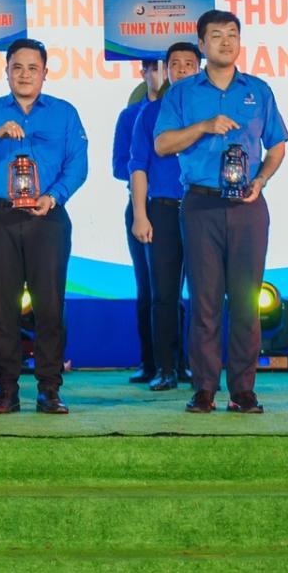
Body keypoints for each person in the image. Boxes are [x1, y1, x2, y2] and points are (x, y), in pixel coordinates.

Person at [154, 9, 288, 415]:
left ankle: (243, 390)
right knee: (205, 301)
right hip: (201, 204)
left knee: (246, 302)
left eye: (232, 34)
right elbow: (162, 144)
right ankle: (204, 388)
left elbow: (277, 146)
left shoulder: (258, 90)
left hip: (248, 205)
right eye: (216, 36)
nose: (226, 42)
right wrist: (203, 126)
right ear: (202, 44)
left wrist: (261, 180)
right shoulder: (182, 93)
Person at [0, 38, 88, 416]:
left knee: (50, 306)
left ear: (45, 73)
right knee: (2, 307)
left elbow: (77, 164)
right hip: (1, 217)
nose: (25, 74)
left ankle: (49, 389)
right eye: (17, 67)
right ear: (7, 72)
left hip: (47, 218)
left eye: (33, 68)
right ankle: (5, 390)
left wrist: (54, 196)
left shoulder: (64, 113)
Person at [128, 40, 201, 391]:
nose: (182, 69)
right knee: (163, 294)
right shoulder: (150, 113)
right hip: (162, 210)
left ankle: (197, 367)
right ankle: (166, 368)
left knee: (204, 295)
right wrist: (140, 214)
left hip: (203, 209)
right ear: (167, 70)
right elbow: (138, 166)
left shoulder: (210, 111)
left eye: (189, 64)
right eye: (175, 64)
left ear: (199, 69)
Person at [114, 59, 166, 384]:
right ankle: (151, 363)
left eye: (169, 67)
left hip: (187, 207)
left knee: (182, 292)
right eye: (156, 68)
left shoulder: (193, 112)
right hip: (143, 207)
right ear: (143, 73)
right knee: (149, 288)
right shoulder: (131, 115)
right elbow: (121, 165)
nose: (163, 75)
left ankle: (181, 362)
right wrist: (146, 168)